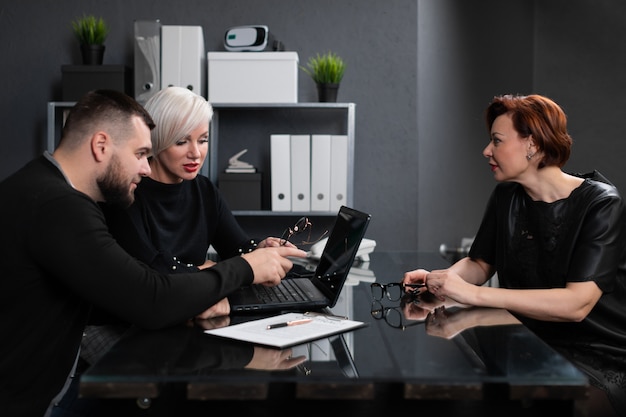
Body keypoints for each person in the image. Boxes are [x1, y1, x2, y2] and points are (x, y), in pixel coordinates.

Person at [0, 89, 306, 417]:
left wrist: (237, 262)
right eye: (141, 153)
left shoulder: (41, 188)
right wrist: (243, 268)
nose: (147, 168)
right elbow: (152, 298)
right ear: (101, 146)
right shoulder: (60, 207)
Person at [402, 93, 626, 416]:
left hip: (599, 355)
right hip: (531, 339)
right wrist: (445, 281)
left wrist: (471, 295)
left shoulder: (602, 205)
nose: (486, 151)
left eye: (496, 140)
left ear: (532, 145)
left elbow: (577, 305)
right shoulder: (507, 195)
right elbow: (480, 263)